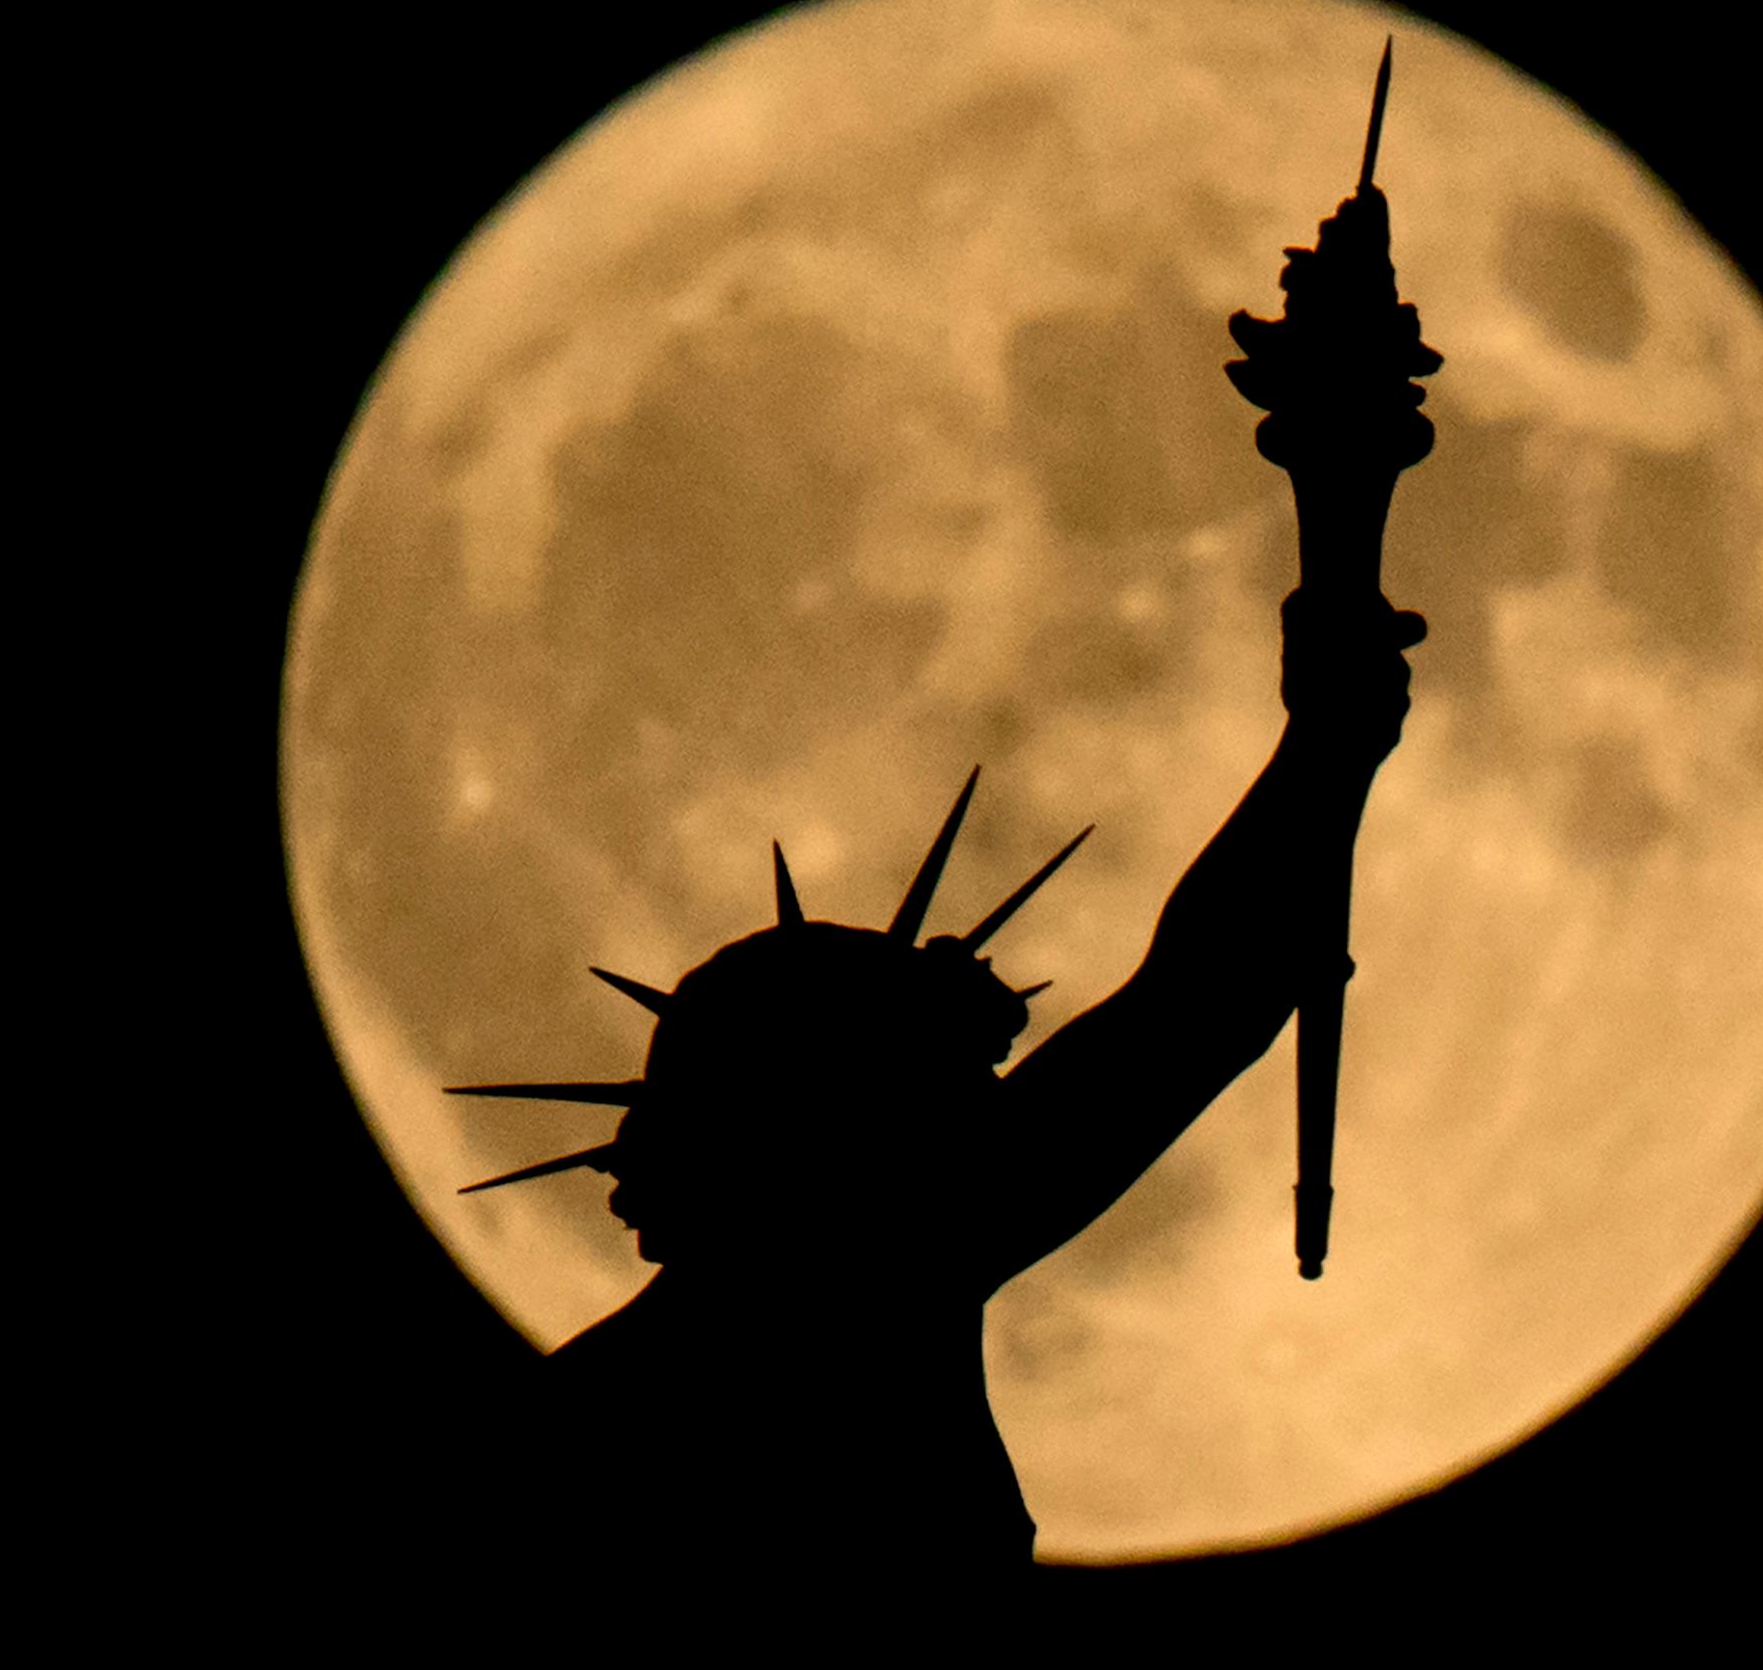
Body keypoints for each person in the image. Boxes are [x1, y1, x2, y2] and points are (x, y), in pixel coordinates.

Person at [458, 588, 1424, 1588]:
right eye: (953, 1078)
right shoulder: (894, 1254)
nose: (989, 1090)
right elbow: (1202, 1000)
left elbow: (1205, 999)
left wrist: (1327, 745)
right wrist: (1326, 745)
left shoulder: (672, 1364)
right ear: (842, 1124)